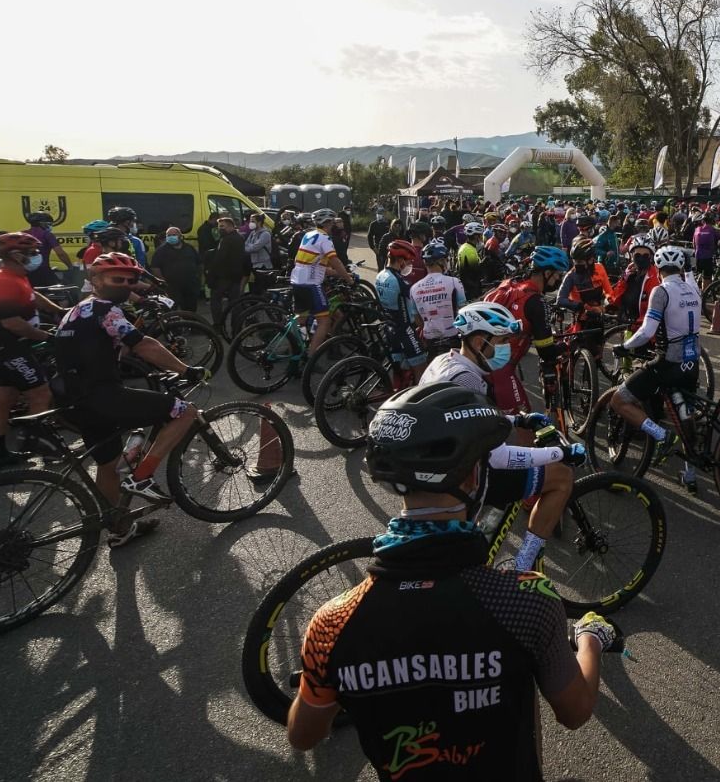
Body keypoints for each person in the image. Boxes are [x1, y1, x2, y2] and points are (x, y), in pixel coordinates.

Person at [283, 383, 615, 775]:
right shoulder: (528, 599)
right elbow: (575, 712)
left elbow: (303, 736)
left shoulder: (331, 624)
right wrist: (591, 638)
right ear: (474, 477)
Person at [53, 251, 216, 536]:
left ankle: (119, 528)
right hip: (102, 395)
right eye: (118, 279)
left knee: (108, 465)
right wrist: (184, 369)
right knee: (185, 412)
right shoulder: (106, 310)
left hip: (74, 398)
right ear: (95, 278)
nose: (125, 285)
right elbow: (144, 345)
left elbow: (112, 345)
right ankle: (141, 477)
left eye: (131, 280)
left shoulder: (77, 309)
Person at [419, 305, 584, 572]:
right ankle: (523, 565)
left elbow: (468, 420)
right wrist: (560, 454)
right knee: (561, 476)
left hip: (437, 469)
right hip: (462, 479)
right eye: (502, 340)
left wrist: (517, 420)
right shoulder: (469, 383)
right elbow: (499, 457)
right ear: (477, 342)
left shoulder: (444, 363)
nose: (508, 347)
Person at [608, 245, 705, 492]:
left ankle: (662, 436)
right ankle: (690, 475)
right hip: (691, 364)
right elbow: (692, 279)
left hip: (668, 363)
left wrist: (625, 347)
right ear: (681, 267)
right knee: (686, 417)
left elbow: (647, 331)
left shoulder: (661, 291)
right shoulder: (693, 289)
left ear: (658, 267)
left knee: (619, 400)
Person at [0, 233, 64, 470]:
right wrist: (49, 338)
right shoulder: (5, 281)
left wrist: (59, 310)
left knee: (4, 399)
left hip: (3, 347)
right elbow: (12, 323)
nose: (37, 257)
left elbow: (32, 296)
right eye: (33, 253)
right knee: (40, 392)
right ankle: (36, 440)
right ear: (16, 255)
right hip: (8, 347)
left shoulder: (17, 276)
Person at [486, 245, 571, 413]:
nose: (559, 280)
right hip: (499, 370)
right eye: (558, 275)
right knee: (528, 424)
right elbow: (546, 351)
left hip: (478, 362)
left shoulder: (510, 285)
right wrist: (567, 345)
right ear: (547, 273)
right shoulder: (537, 302)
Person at [290, 208, 351, 357]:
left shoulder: (308, 235)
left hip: (297, 280)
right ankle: (311, 358)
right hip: (311, 284)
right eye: (332, 223)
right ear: (328, 223)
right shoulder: (325, 239)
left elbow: (314, 264)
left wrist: (340, 274)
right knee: (325, 321)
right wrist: (348, 279)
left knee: (302, 320)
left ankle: (298, 351)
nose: (333, 226)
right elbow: (335, 261)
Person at [371, 240, 426, 383]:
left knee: (400, 371)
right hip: (405, 330)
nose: (409, 265)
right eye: (408, 261)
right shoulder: (401, 281)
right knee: (421, 369)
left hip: (389, 328)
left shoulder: (380, 275)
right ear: (400, 260)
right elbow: (414, 311)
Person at [410, 240, 467, 354]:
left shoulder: (414, 288)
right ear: (441, 261)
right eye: (446, 260)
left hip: (430, 340)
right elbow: (464, 311)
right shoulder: (454, 282)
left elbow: (417, 319)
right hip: (453, 338)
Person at [150, 227, 204, 312]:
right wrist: (162, 281)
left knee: (190, 310)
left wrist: (198, 277)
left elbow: (199, 263)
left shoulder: (189, 248)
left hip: (190, 285)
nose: (171, 237)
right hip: (171, 287)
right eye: (169, 235)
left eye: (174, 235)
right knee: (171, 310)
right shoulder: (161, 250)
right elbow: (155, 267)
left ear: (180, 236)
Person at [24, 211, 73, 287]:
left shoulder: (23, 234)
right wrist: (70, 266)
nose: (50, 226)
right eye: (49, 224)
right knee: (59, 292)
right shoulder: (47, 235)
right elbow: (61, 254)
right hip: (43, 271)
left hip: (25, 272)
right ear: (42, 224)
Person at [244, 213, 275, 294]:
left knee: (262, 288)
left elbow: (255, 247)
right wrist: (250, 246)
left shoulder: (265, 234)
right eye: (250, 221)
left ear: (259, 222)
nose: (251, 223)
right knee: (255, 288)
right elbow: (246, 245)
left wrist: (250, 247)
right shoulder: (252, 233)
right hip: (254, 264)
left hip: (263, 265)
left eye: (253, 221)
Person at [456, 222, 488, 299]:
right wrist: (485, 262)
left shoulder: (464, 246)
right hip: (471, 287)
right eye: (480, 235)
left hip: (467, 285)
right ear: (476, 236)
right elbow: (476, 272)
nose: (482, 237)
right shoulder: (469, 250)